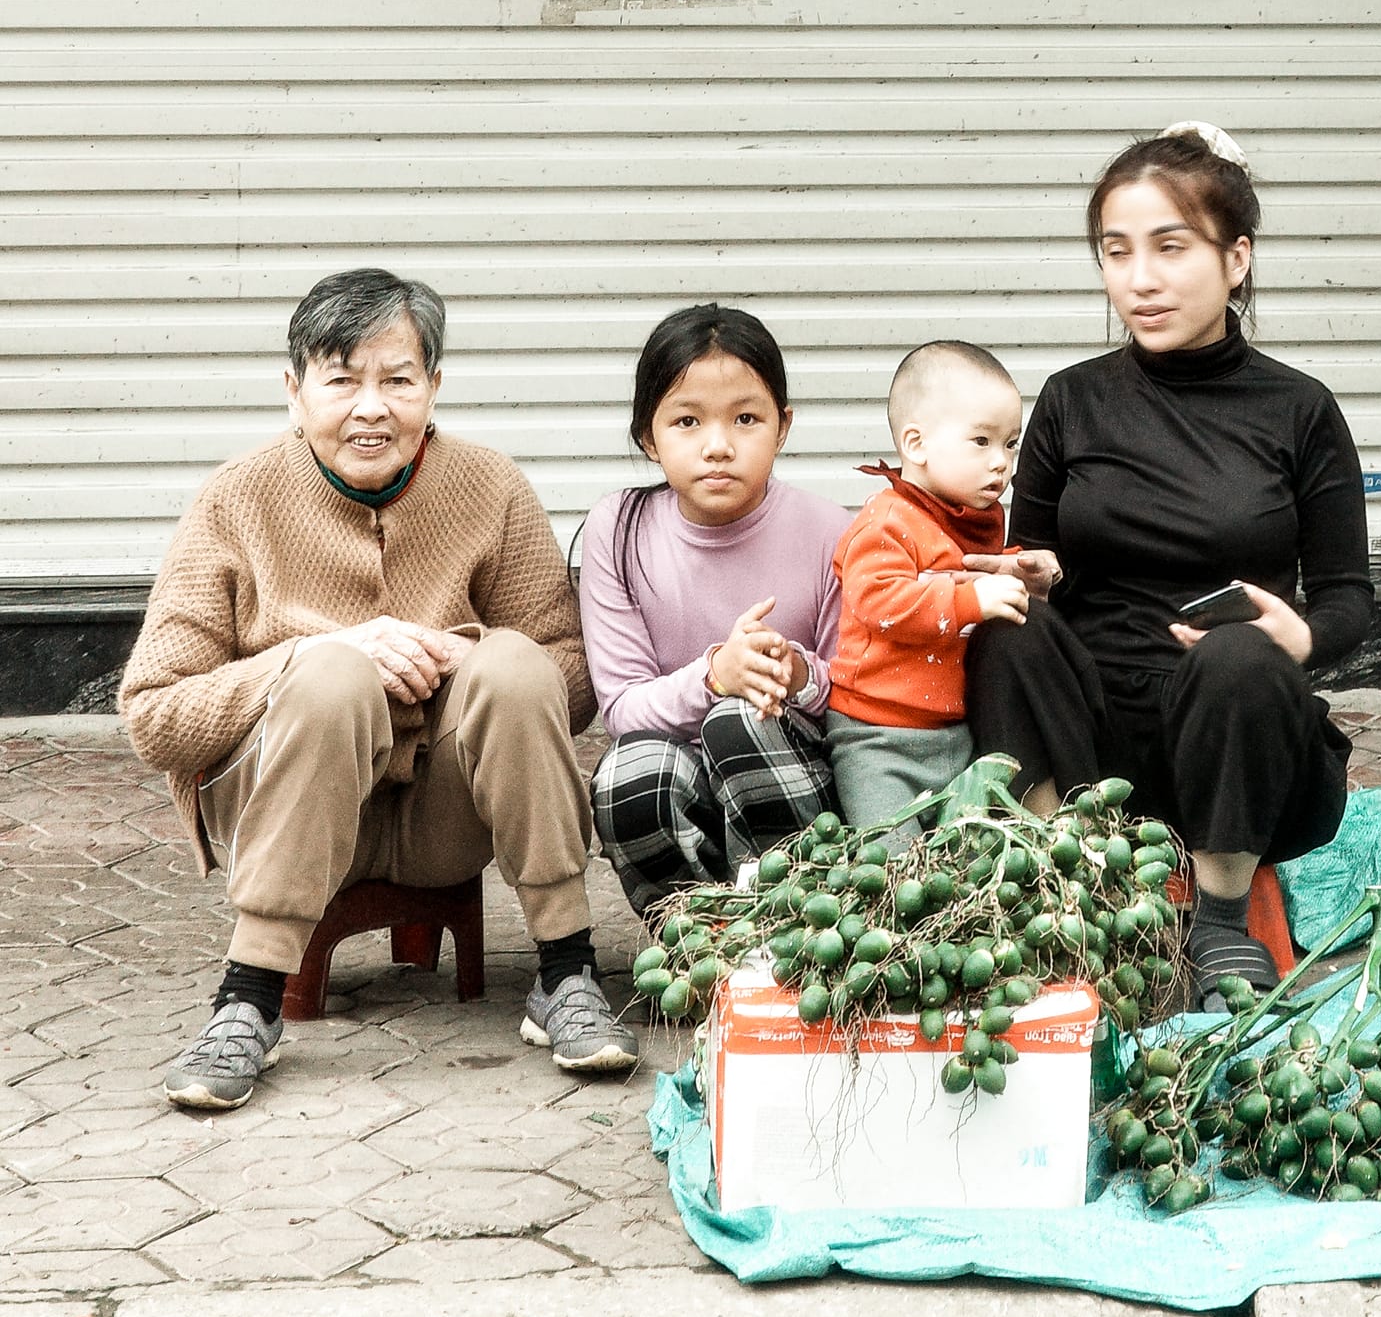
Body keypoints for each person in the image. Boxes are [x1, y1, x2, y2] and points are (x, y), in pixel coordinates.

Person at [122, 267, 630, 1113]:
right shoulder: (234, 499)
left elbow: (571, 674)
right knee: (330, 675)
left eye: (398, 380)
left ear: (434, 387)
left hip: (442, 817)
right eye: (342, 381)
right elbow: (153, 716)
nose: (371, 408)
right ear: (294, 392)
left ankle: (567, 972)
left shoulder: (490, 485)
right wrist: (311, 657)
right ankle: (246, 1001)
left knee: (512, 663)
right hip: (282, 810)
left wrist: (467, 655)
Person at [964, 125, 1373, 1007]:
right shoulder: (1071, 400)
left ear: (1237, 259)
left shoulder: (1299, 410)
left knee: (1237, 656)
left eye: (1170, 247)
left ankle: (1221, 920)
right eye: (1117, 252)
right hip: (1093, 740)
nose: (1139, 280)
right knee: (1006, 627)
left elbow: (1348, 596)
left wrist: (1301, 639)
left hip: (1235, 744)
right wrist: (1031, 575)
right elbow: (1030, 559)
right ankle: (1063, 883)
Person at [579, 305, 848, 912]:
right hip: (678, 780)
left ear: (783, 427)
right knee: (627, 775)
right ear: (648, 436)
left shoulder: (833, 532)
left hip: (795, 788)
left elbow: (858, 701)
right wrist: (715, 675)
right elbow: (622, 710)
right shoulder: (618, 530)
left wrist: (795, 674)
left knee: (740, 722)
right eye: (687, 421)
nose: (718, 446)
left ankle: (792, 926)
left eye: (746, 419)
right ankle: (698, 938)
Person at [826, 341, 1030, 833]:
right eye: (981, 441)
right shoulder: (887, 520)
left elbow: (972, 573)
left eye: (1010, 444)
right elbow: (878, 600)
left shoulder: (967, 517)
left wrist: (1023, 572)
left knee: (963, 856)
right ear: (916, 445)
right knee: (892, 855)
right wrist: (970, 599)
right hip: (877, 737)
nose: (1001, 462)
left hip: (956, 734)